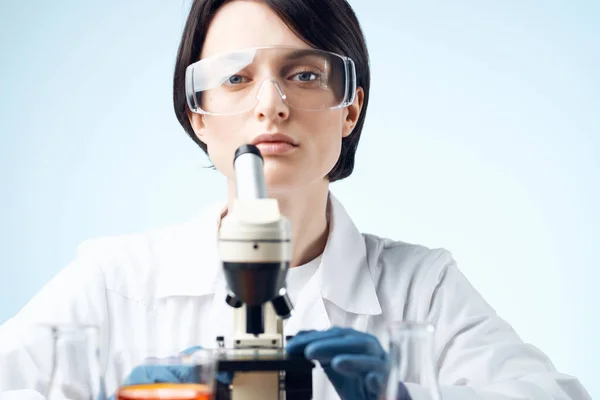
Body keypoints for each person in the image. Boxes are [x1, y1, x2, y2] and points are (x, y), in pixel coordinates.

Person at [0, 0, 591, 399]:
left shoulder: (421, 289)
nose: (270, 105)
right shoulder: (115, 279)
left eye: (305, 74)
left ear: (350, 109)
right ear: (197, 115)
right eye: (235, 78)